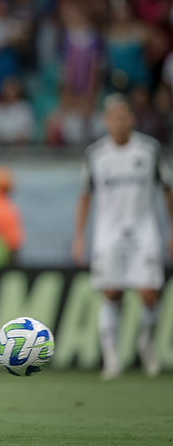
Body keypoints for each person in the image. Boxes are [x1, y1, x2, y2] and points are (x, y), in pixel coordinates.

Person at [72, 93, 173, 380]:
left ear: (131, 119)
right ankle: (111, 357)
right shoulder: (96, 154)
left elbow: (167, 189)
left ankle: (145, 342)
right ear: (106, 121)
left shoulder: (149, 150)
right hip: (108, 232)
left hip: (144, 230)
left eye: (123, 116)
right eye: (113, 117)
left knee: (150, 293)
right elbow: (84, 196)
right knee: (112, 291)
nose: (118, 122)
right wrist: (79, 237)